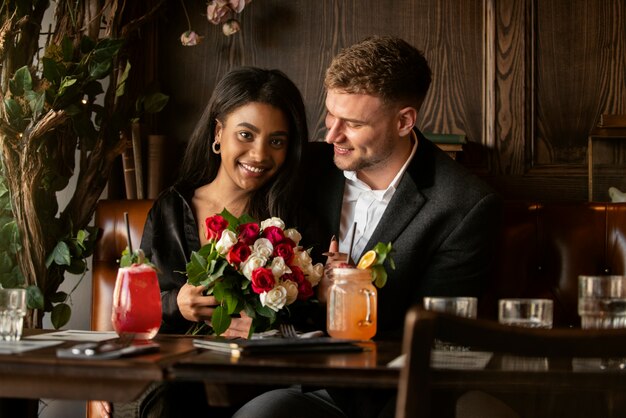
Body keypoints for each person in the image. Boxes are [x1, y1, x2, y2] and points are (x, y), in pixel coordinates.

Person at [233, 35, 502, 418]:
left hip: (401, 395)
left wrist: (349, 301)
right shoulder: (305, 167)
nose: (331, 135)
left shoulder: (464, 205)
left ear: (405, 120)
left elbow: (437, 338)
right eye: (330, 114)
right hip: (308, 388)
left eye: (353, 123)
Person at [96, 66, 310, 418]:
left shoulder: (291, 219)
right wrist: (176, 304)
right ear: (218, 132)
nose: (258, 154)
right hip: (170, 377)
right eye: (246, 135)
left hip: (252, 385)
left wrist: (266, 328)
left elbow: (312, 322)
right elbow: (134, 314)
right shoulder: (171, 208)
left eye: (276, 141)